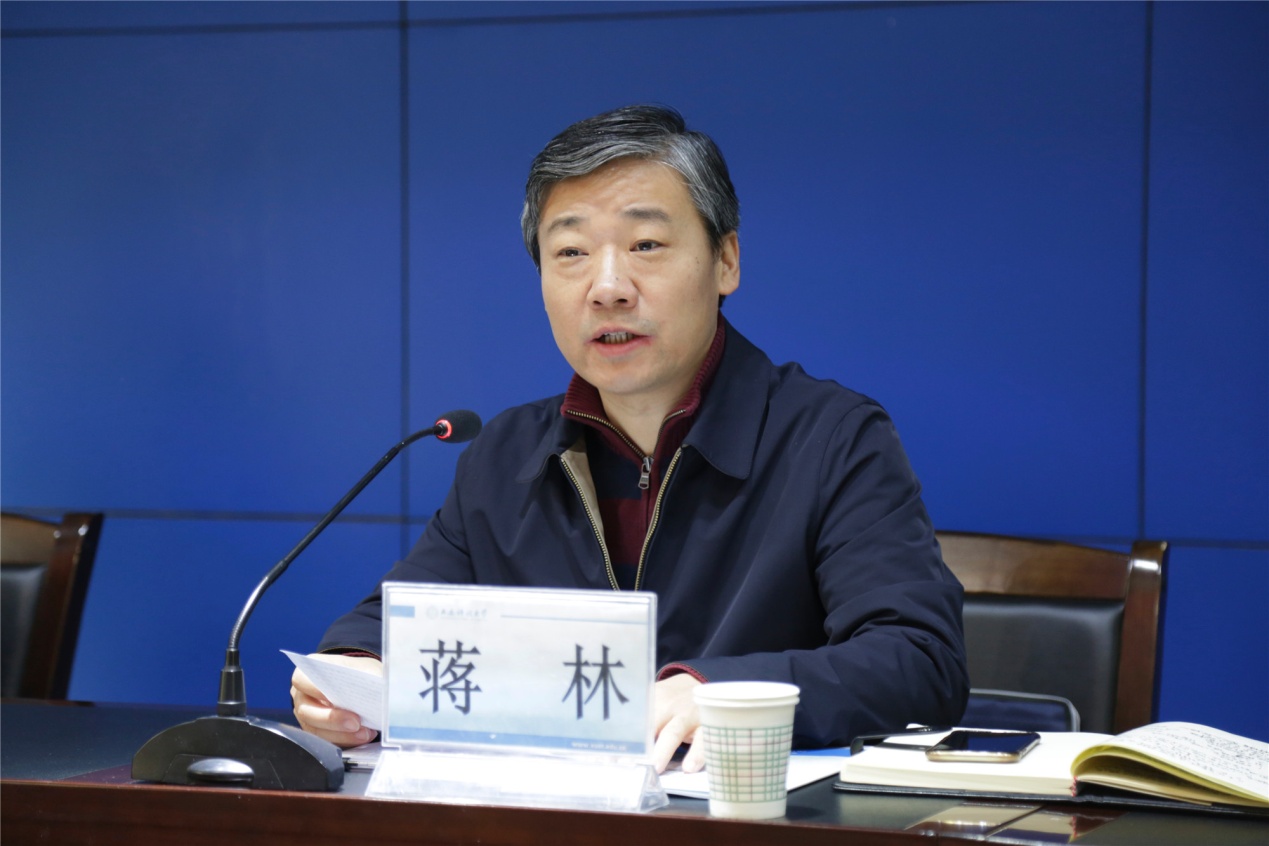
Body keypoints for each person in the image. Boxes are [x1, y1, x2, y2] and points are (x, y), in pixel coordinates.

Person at [292, 104, 968, 773]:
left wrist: (720, 695)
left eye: (645, 245)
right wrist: (354, 672)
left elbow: (918, 663)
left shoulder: (831, 438)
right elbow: (396, 623)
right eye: (571, 253)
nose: (608, 287)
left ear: (725, 261)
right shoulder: (508, 454)